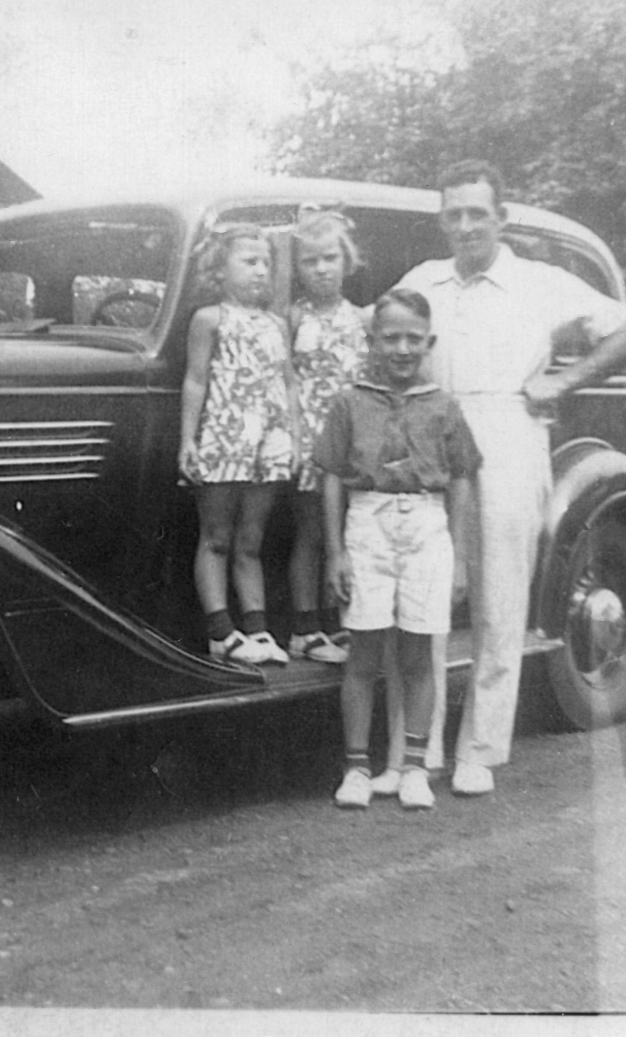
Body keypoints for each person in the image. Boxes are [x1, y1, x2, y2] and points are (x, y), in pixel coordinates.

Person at [396, 160, 626, 795]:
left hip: (508, 433)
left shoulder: (539, 282)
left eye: (477, 213)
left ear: (501, 218)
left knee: (500, 598)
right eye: (453, 215)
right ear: (442, 220)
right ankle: (418, 751)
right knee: (425, 595)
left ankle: (480, 750)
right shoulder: (424, 280)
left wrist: (563, 381)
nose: (465, 226)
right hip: (433, 437)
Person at [315, 289, 482, 810]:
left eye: (413, 338)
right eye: (391, 338)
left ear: (429, 342)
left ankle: (413, 767)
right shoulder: (349, 402)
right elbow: (332, 477)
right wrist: (336, 553)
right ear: (372, 341)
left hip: (427, 526)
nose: (402, 349)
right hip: (368, 524)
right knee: (364, 652)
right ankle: (357, 768)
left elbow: (461, 478)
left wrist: (458, 555)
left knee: (418, 654)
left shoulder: (444, 405)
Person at [179, 223, 301, 666]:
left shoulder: (277, 324)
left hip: (267, 441)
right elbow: (196, 380)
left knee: (251, 539)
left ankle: (256, 628)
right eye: (249, 261)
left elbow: (288, 383)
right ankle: (220, 631)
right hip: (225, 438)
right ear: (220, 269)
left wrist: (294, 438)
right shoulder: (209, 319)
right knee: (216, 536)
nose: (260, 270)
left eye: (266, 262)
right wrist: (188, 440)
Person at [287, 209, 366, 665]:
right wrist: (297, 437)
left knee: (352, 531)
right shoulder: (294, 317)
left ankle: (345, 621)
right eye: (310, 260)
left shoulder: (362, 318)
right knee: (312, 532)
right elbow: (287, 380)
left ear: (346, 260)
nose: (320, 268)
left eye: (329, 258)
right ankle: (305, 629)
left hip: (353, 438)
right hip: (312, 438)